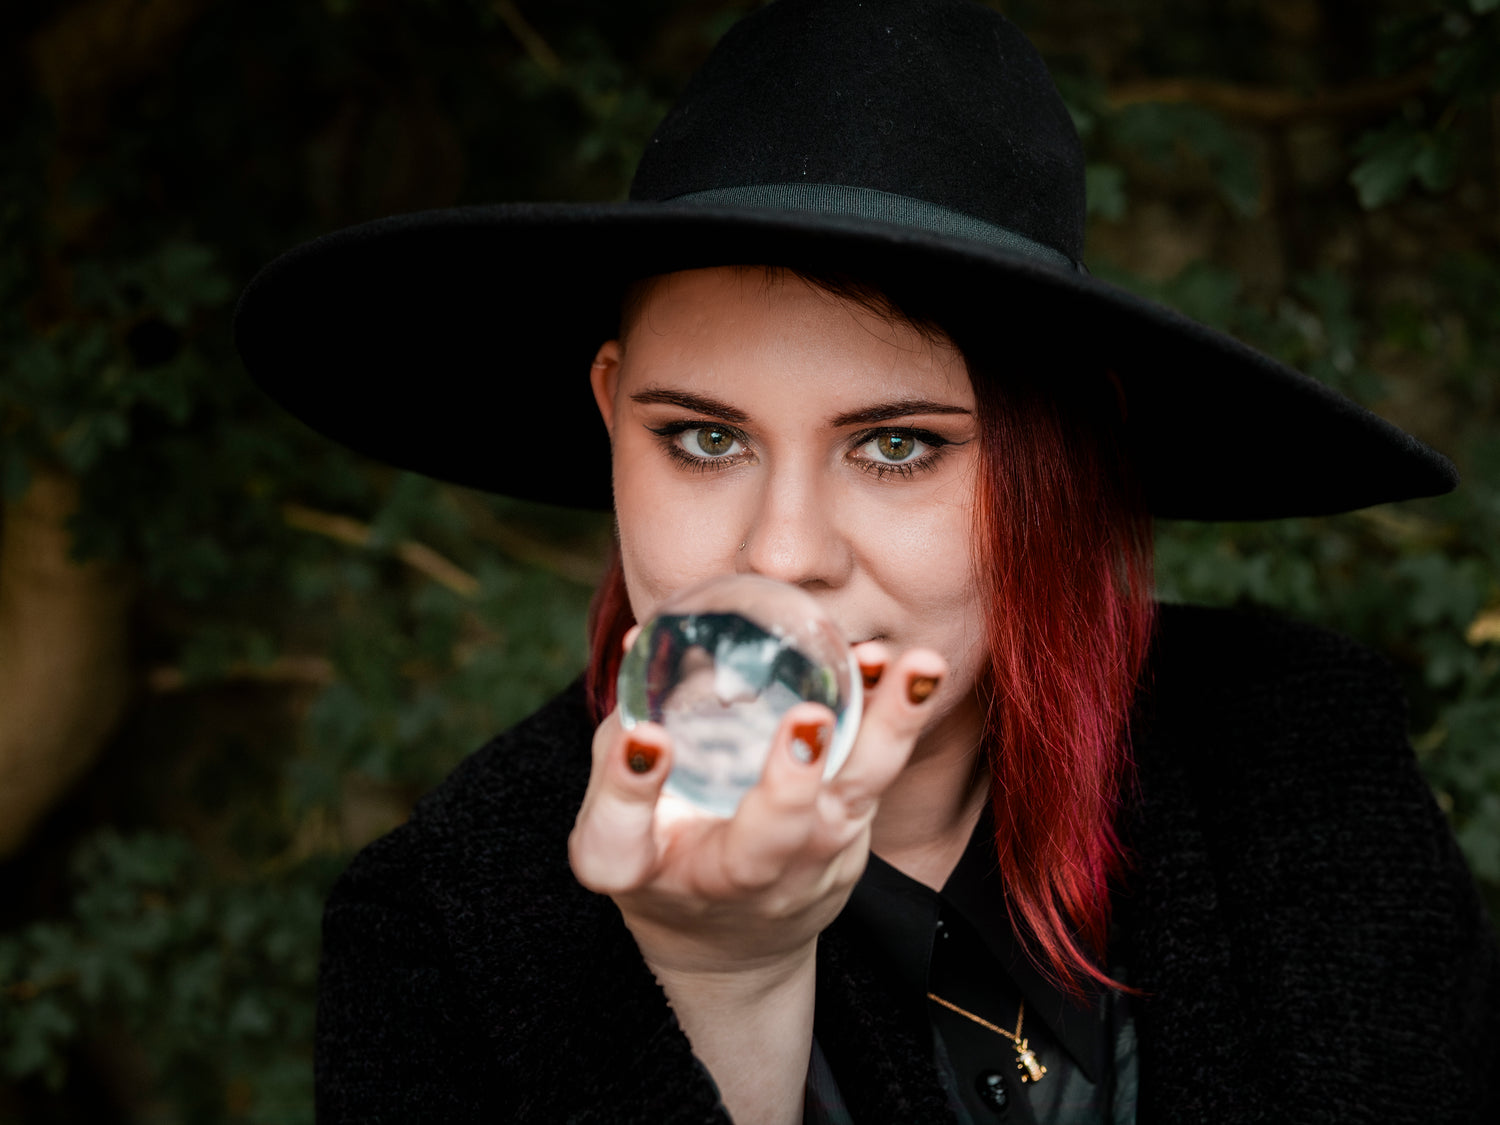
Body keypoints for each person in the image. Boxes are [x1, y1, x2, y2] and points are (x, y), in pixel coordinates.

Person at [233, 0, 1500, 1121]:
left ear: (1062, 459)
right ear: (611, 417)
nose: (785, 553)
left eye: (897, 445)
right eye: (703, 439)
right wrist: (724, 983)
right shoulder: (444, 929)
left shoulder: (1297, 757)